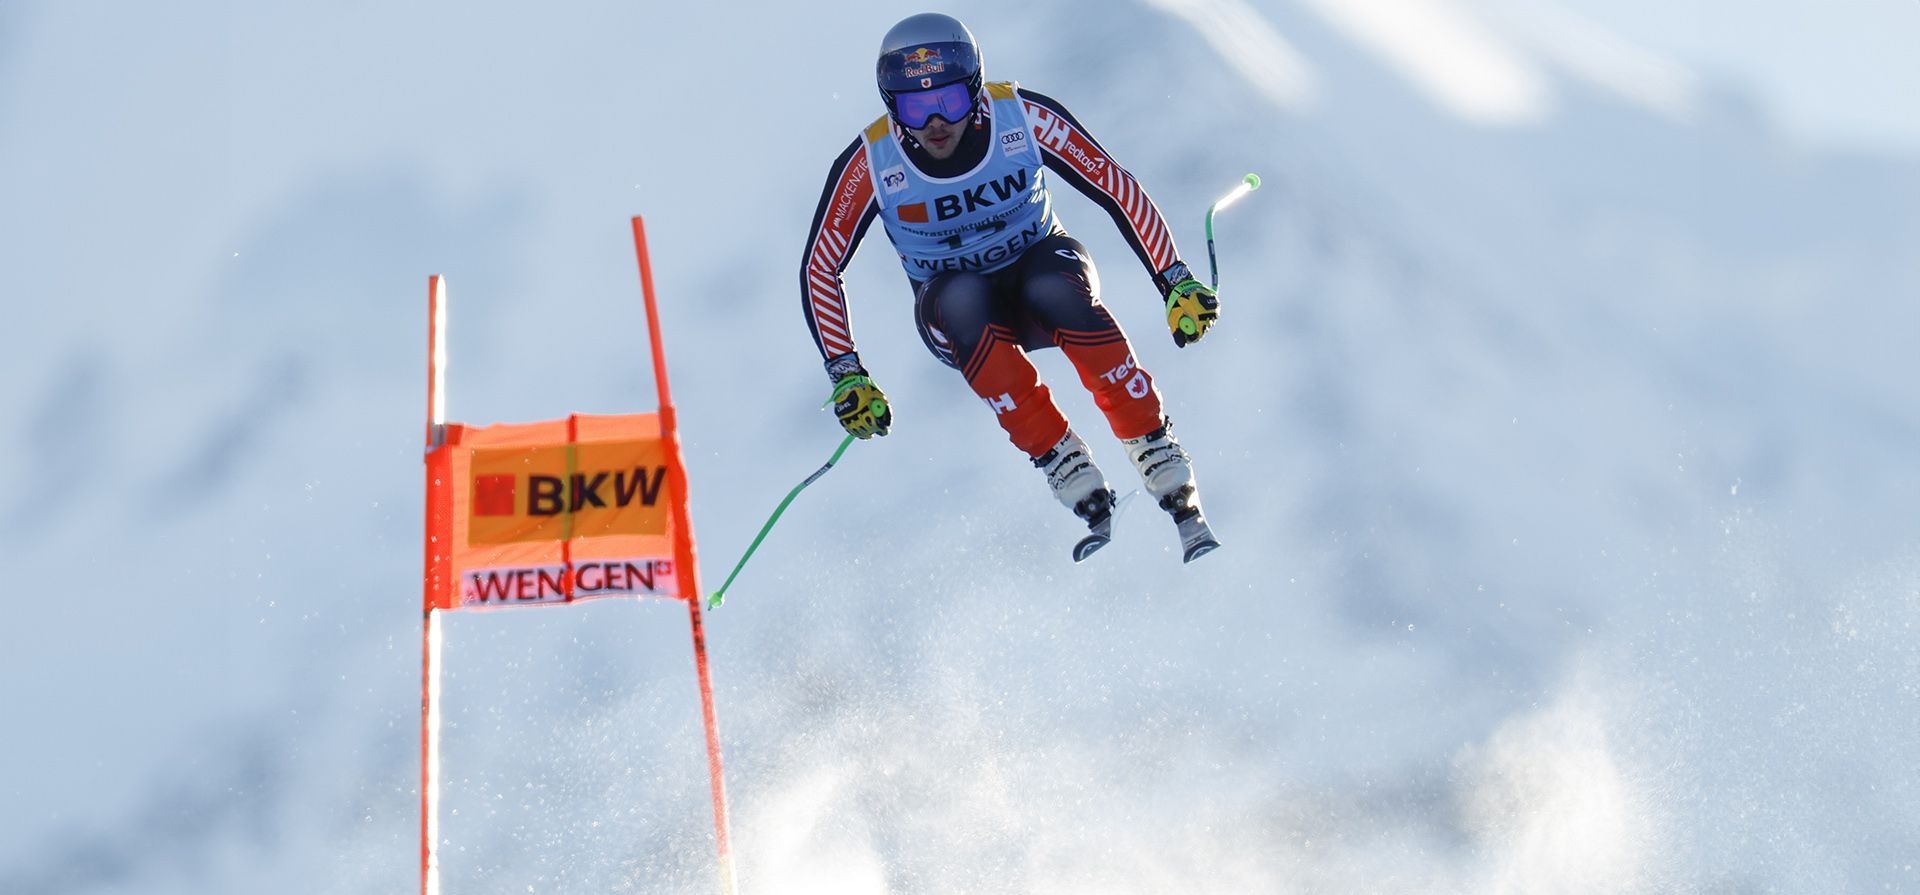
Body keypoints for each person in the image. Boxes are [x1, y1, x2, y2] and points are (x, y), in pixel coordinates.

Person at [799, 12, 1222, 563]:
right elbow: (820, 265)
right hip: (957, 310)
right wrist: (846, 372)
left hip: (1041, 272)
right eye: (912, 106)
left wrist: (1174, 280)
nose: (934, 123)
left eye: (948, 101)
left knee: (1055, 287)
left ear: (974, 90)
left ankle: (1153, 442)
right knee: (962, 297)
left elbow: (1114, 185)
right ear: (890, 107)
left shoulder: (1020, 116)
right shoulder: (872, 160)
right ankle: (1060, 457)